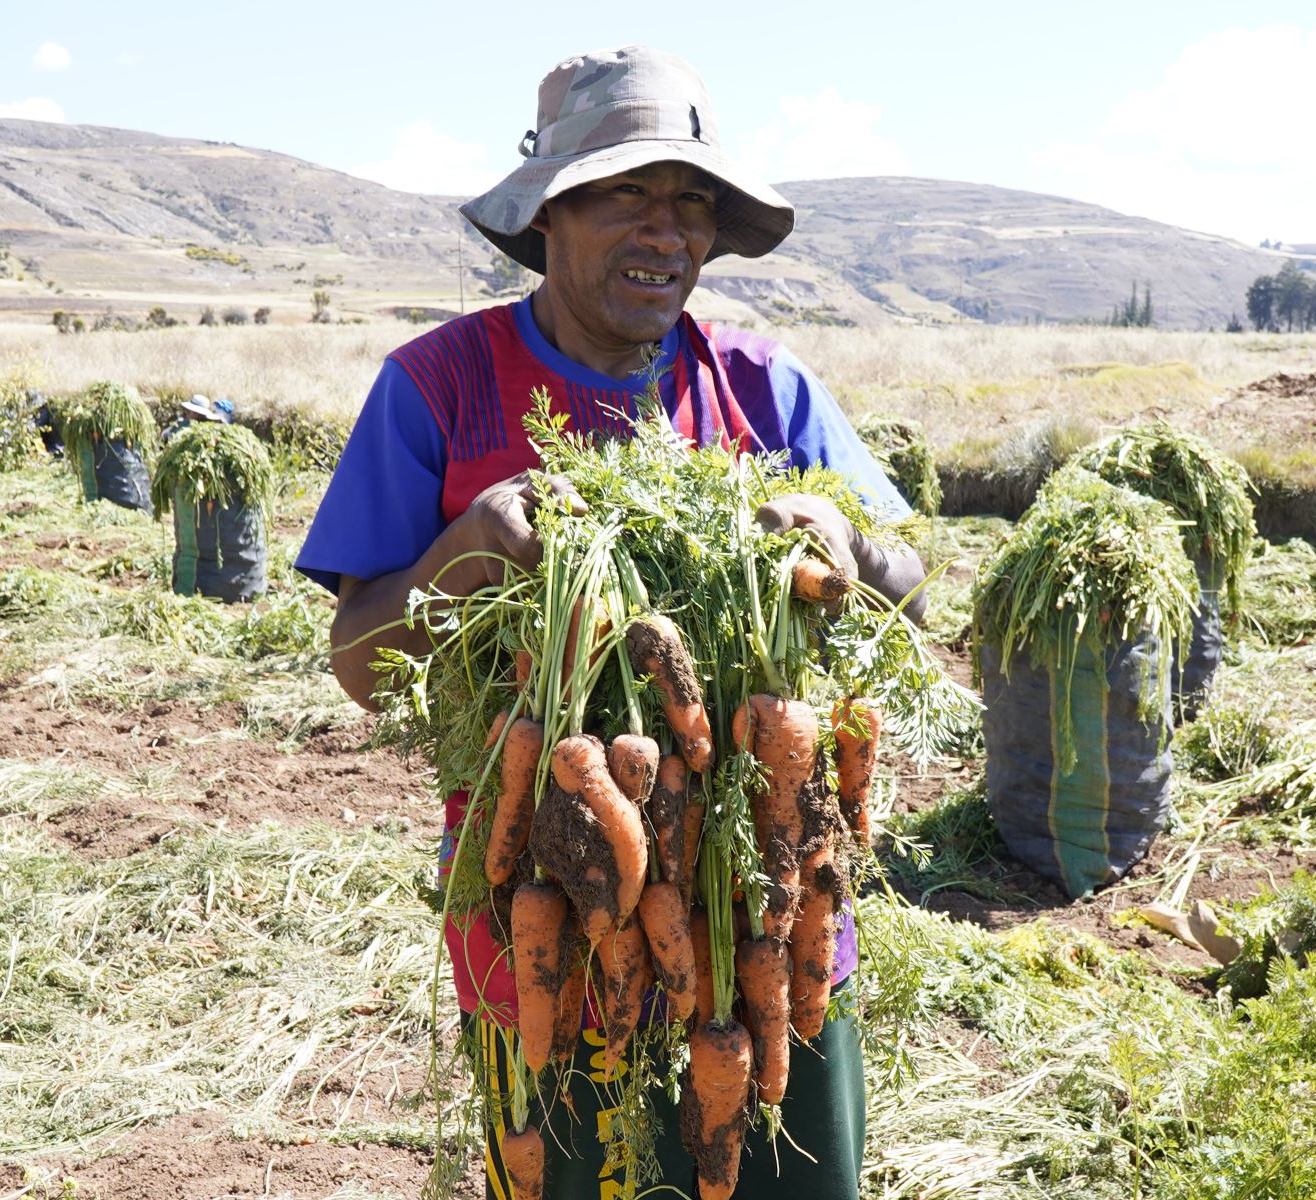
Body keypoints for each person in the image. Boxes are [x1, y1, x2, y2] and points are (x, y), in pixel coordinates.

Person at [297, 46, 923, 1200]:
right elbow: (361, 666)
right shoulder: (438, 386)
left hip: (769, 933)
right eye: (626, 192)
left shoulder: (764, 386)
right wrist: (469, 548)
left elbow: (914, 588)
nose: (667, 229)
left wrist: (847, 550)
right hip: (547, 927)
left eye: (692, 201)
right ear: (547, 215)